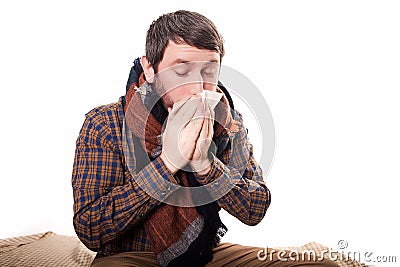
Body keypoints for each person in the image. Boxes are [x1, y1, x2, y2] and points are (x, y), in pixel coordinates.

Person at [72, 10, 338, 267]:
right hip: (129, 256)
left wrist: (206, 167)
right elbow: (90, 229)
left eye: (209, 71)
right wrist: (167, 163)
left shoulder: (227, 121)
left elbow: (256, 208)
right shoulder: (105, 123)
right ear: (150, 68)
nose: (198, 87)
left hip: (203, 255)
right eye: (181, 71)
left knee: (321, 264)